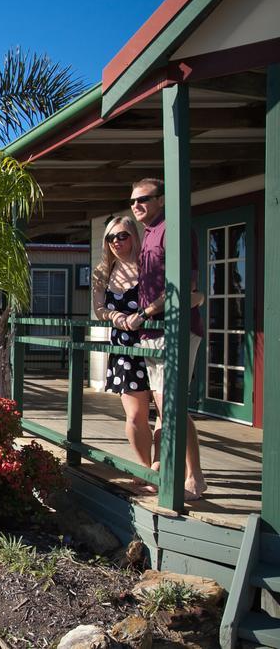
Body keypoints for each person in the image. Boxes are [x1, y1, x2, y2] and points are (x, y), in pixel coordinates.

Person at [125, 177, 207, 501]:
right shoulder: (148, 234)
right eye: (132, 201)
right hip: (153, 334)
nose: (136, 205)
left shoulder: (174, 229)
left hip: (175, 330)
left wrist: (144, 314)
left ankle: (194, 479)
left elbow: (182, 290)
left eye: (143, 198)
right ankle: (165, 473)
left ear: (160, 199)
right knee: (165, 408)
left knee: (172, 407)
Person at [92, 216, 155, 492]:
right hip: (124, 349)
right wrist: (115, 316)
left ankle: (159, 467)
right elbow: (99, 309)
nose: (116, 242)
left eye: (122, 236)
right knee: (135, 415)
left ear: (133, 235)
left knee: (166, 412)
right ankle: (144, 466)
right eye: (111, 237)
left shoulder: (148, 266)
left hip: (154, 342)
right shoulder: (103, 272)